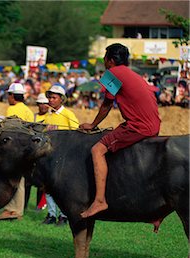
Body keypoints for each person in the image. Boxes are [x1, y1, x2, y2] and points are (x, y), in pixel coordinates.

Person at [80, 43, 160, 218]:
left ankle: (100, 200)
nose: (103, 60)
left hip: (138, 126)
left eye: (105, 57)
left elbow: (107, 104)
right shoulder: (134, 74)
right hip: (153, 124)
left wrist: (92, 125)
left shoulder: (112, 73)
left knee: (97, 150)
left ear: (110, 60)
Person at [40, 85, 79, 226]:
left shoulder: (68, 115)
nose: (51, 100)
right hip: (49, 155)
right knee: (48, 186)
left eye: (54, 97)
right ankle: (51, 214)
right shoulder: (48, 116)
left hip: (64, 156)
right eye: (49, 97)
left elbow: (76, 134)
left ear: (61, 99)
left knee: (63, 187)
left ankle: (64, 215)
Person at [0, 83, 34, 220]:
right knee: (20, 179)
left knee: (12, 179)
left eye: (8, 95)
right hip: (25, 149)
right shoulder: (28, 110)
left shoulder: (12, 109)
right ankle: (15, 209)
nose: (7, 98)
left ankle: (13, 210)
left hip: (14, 150)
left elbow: (9, 130)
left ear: (12, 96)